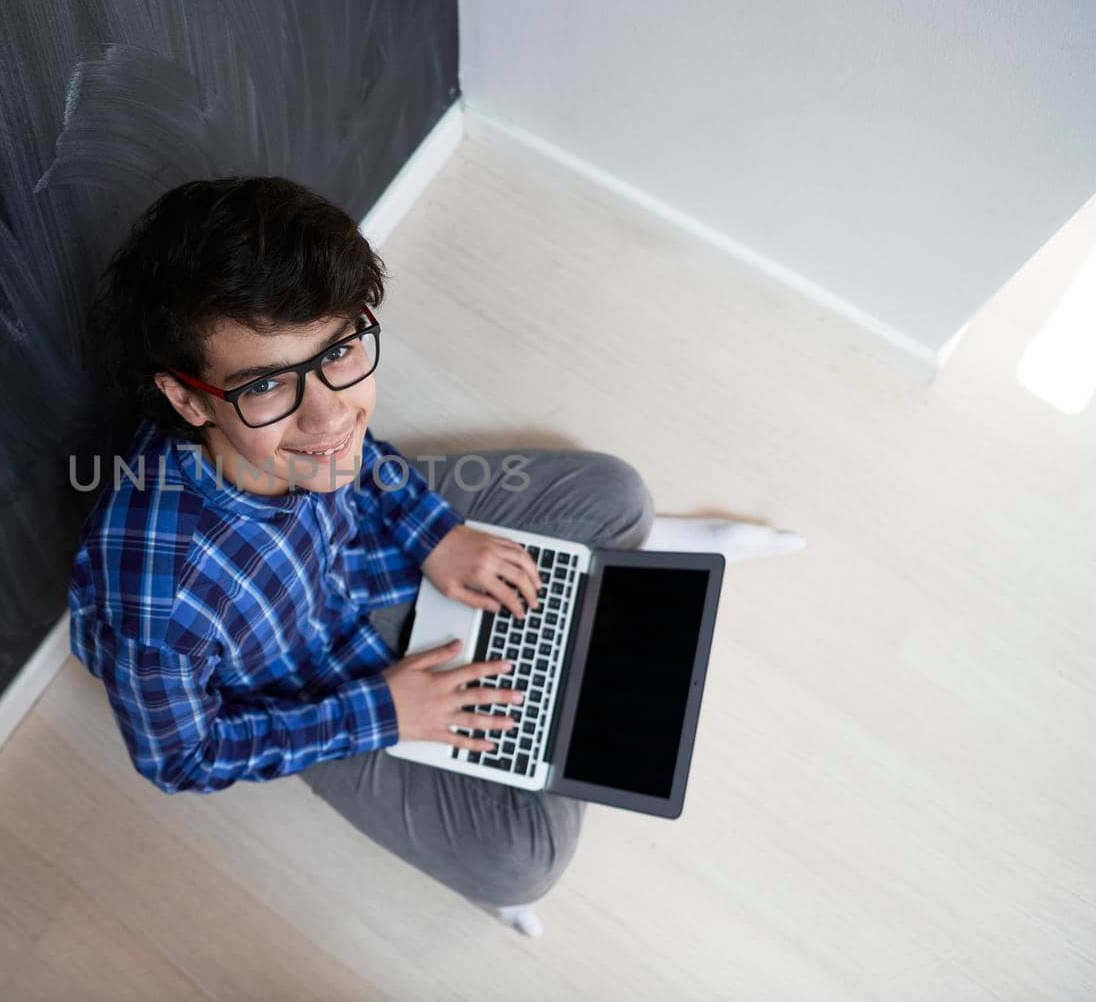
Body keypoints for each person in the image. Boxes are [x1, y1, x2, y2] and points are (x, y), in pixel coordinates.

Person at [68, 175, 804, 937]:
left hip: (358, 557)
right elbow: (183, 757)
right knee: (525, 863)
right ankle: (555, 685)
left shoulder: (313, 431)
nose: (328, 414)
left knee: (617, 491)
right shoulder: (157, 606)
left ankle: (563, 652)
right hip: (314, 688)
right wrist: (384, 711)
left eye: (341, 352)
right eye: (266, 386)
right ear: (190, 401)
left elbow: (351, 445)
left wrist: (435, 532)